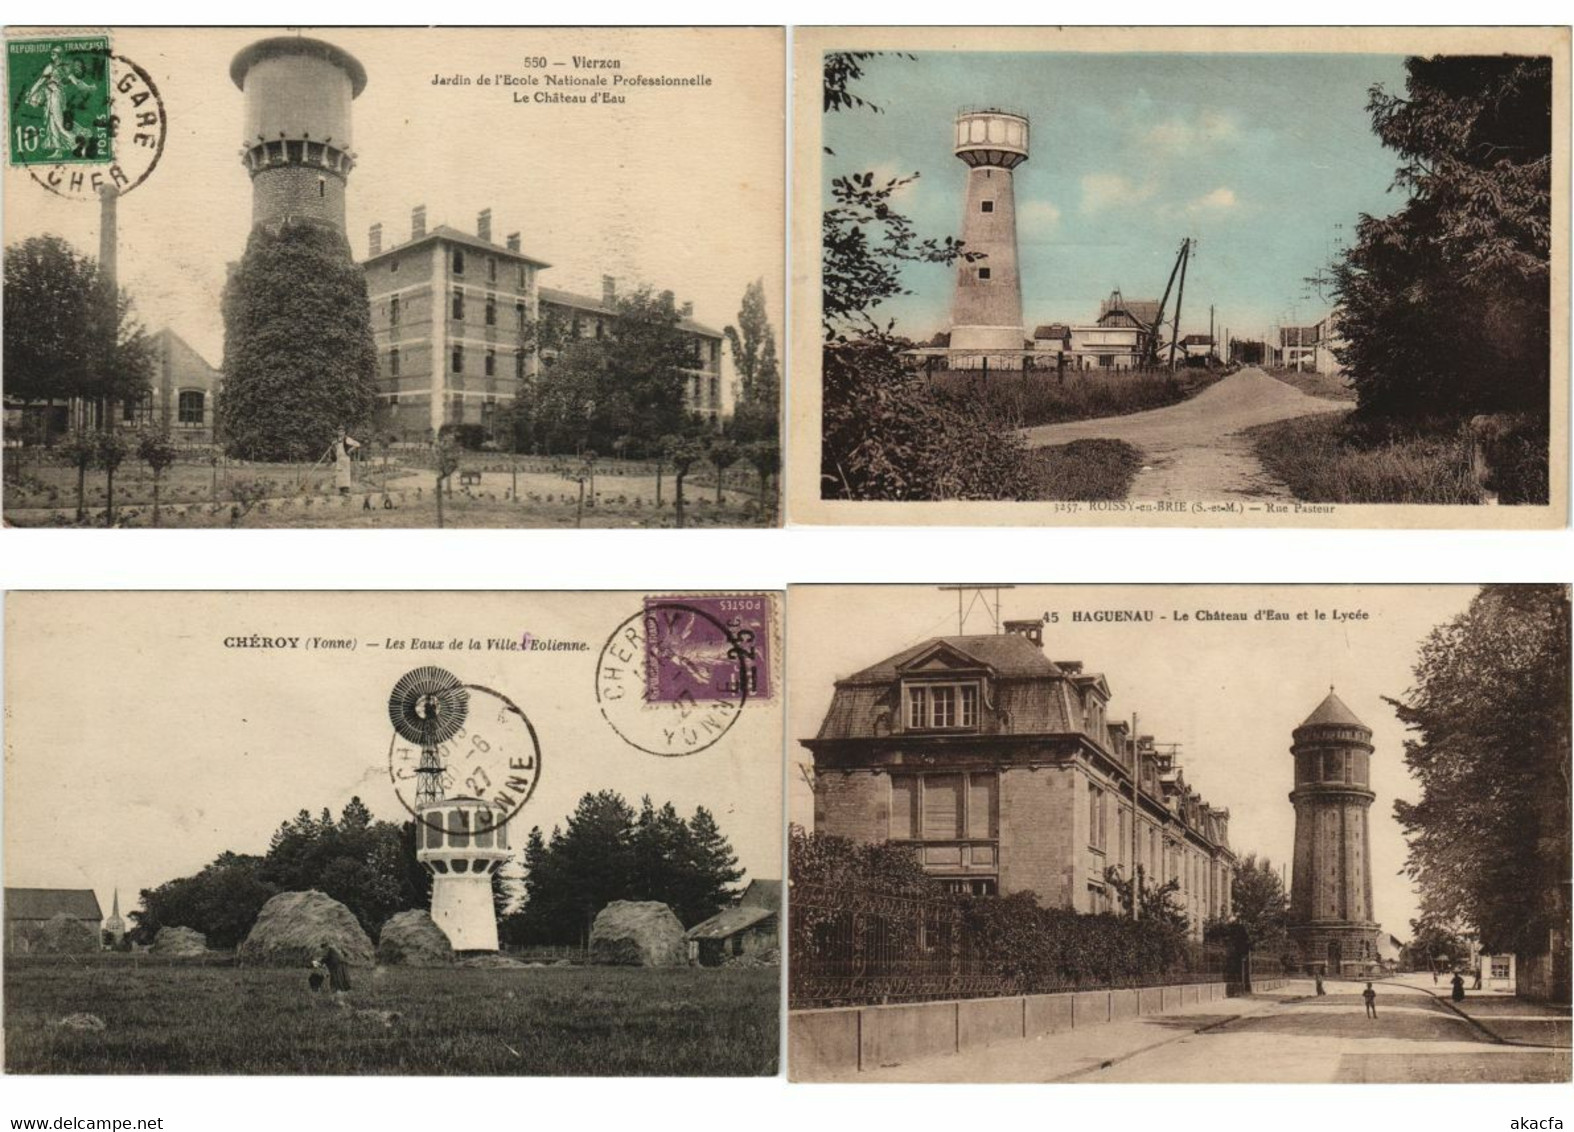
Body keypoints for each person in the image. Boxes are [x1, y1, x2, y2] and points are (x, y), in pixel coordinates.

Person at [334, 428, 361, 495]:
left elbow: (357, 444)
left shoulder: (347, 439)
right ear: (337, 432)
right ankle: (341, 490)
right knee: (339, 474)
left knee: (345, 474)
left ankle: (346, 490)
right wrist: (334, 444)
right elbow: (336, 448)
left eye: (342, 431)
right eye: (339, 431)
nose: (340, 433)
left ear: (344, 432)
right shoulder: (337, 440)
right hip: (339, 459)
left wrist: (350, 450)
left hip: (345, 458)